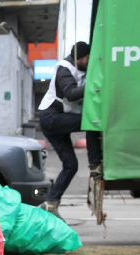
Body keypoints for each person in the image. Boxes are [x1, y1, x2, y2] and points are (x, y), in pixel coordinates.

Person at [37, 41, 102, 220]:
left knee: (71, 165)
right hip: (51, 119)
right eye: (87, 58)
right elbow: (71, 93)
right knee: (91, 121)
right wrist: (95, 87)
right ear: (80, 57)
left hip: (55, 121)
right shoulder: (64, 68)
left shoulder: (80, 70)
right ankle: (95, 164)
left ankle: (51, 203)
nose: (89, 62)